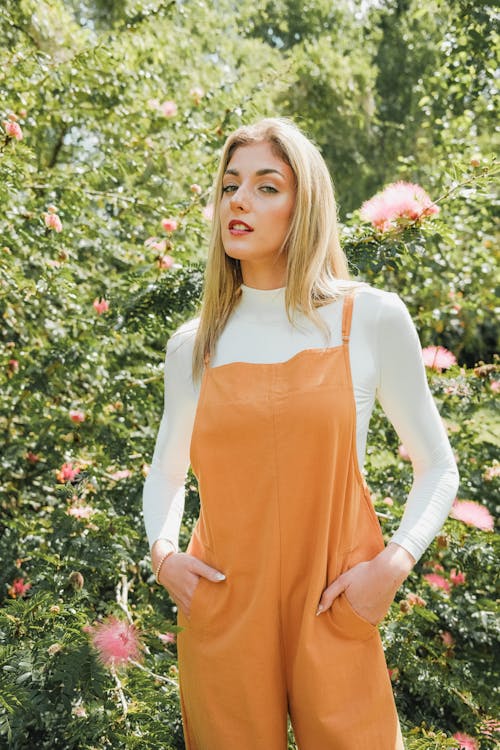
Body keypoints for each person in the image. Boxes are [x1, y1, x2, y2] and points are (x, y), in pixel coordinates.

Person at [142, 118, 459, 750]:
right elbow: (167, 472)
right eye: (231, 185)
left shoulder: (367, 318)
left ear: (304, 203)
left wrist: (391, 567)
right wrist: (163, 553)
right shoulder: (193, 345)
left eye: (266, 186)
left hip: (334, 605)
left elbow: (438, 466)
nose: (239, 200)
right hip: (225, 610)